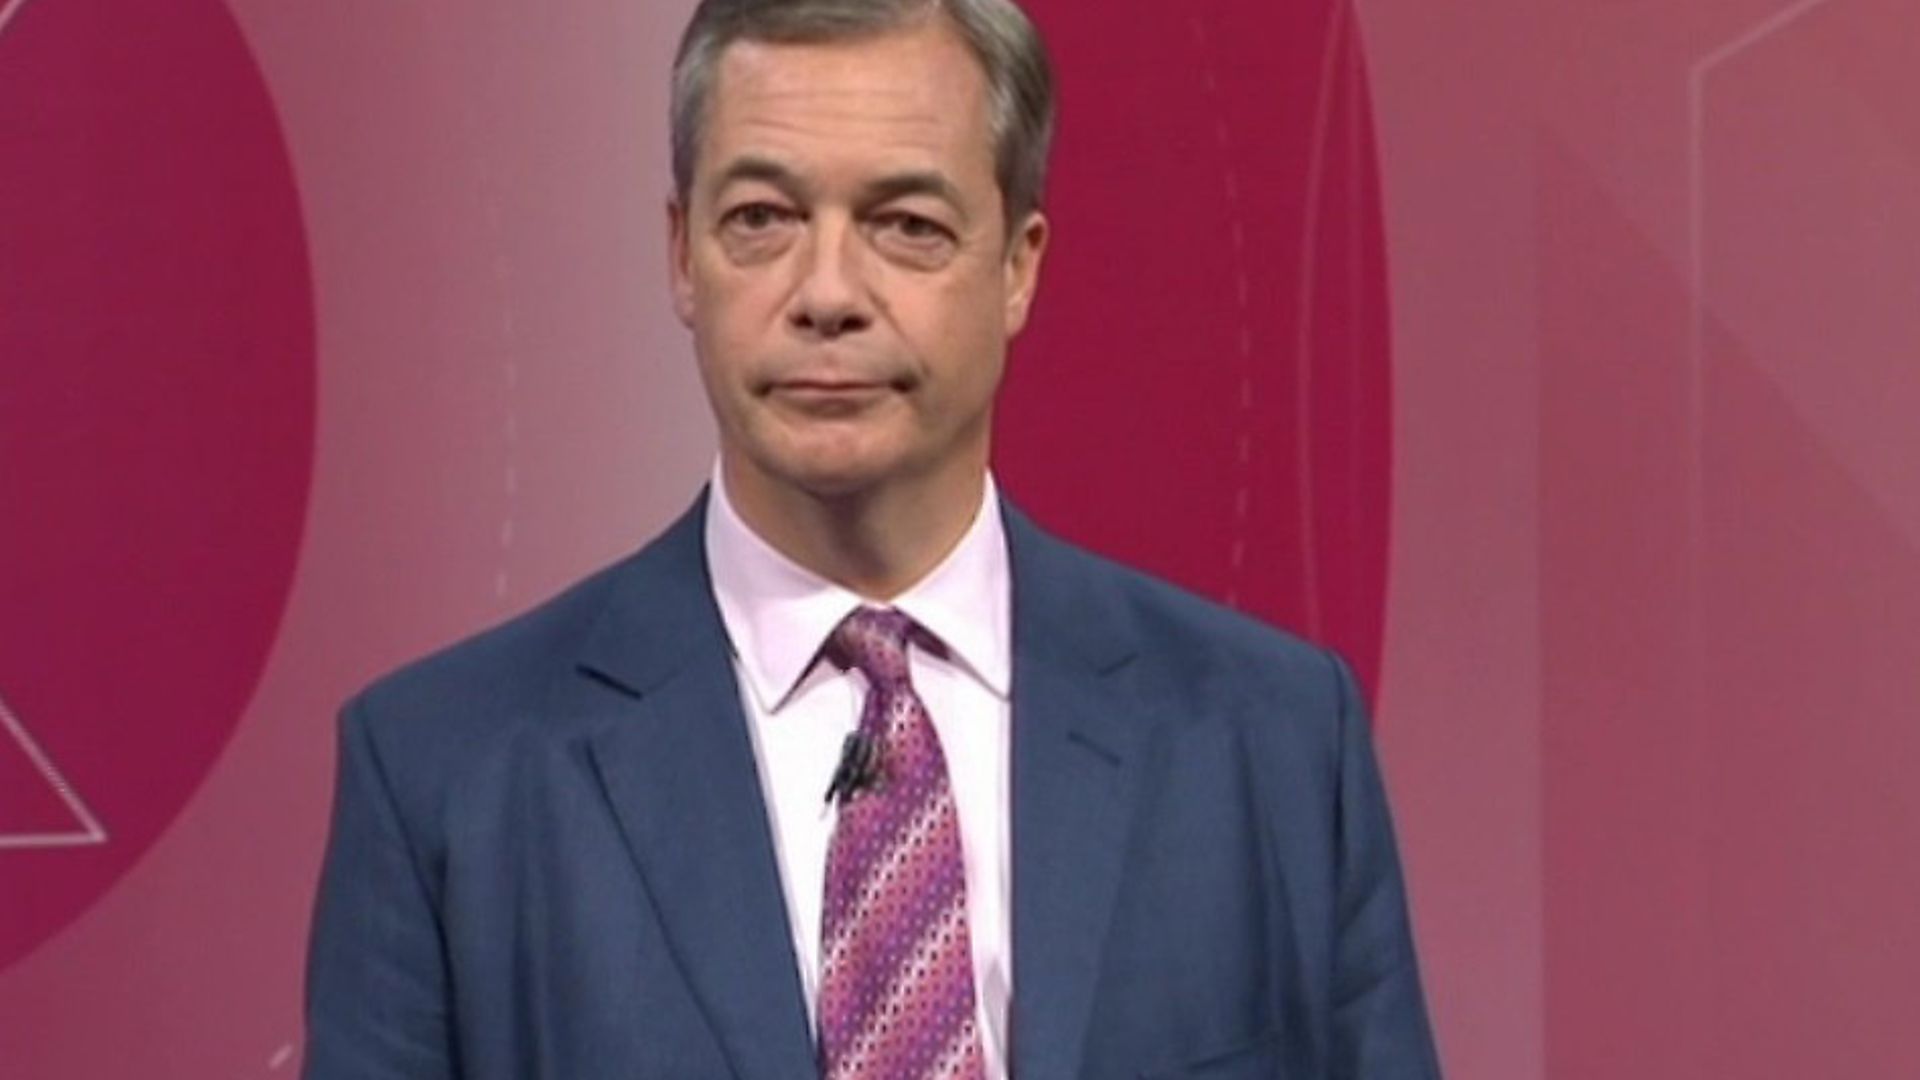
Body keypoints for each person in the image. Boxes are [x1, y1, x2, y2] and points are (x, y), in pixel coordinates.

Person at [301, 0, 1442, 1077]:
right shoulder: (448, 778)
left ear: (1018, 267)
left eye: (906, 225)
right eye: (762, 219)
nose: (827, 292)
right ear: (680, 255)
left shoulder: (1276, 746)